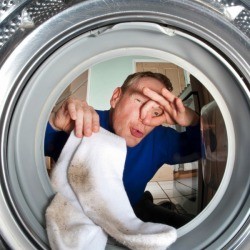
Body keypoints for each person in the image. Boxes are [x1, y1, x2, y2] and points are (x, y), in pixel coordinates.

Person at [45, 71, 201, 228]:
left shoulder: (160, 139)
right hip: (80, 212)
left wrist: (193, 120)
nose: (145, 119)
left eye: (156, 112)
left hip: (133, 207)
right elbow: (29, 151)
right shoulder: (82, 124)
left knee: (191, 229)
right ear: (116, 97)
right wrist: (54, 123)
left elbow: (202, 150)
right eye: (140, 101)